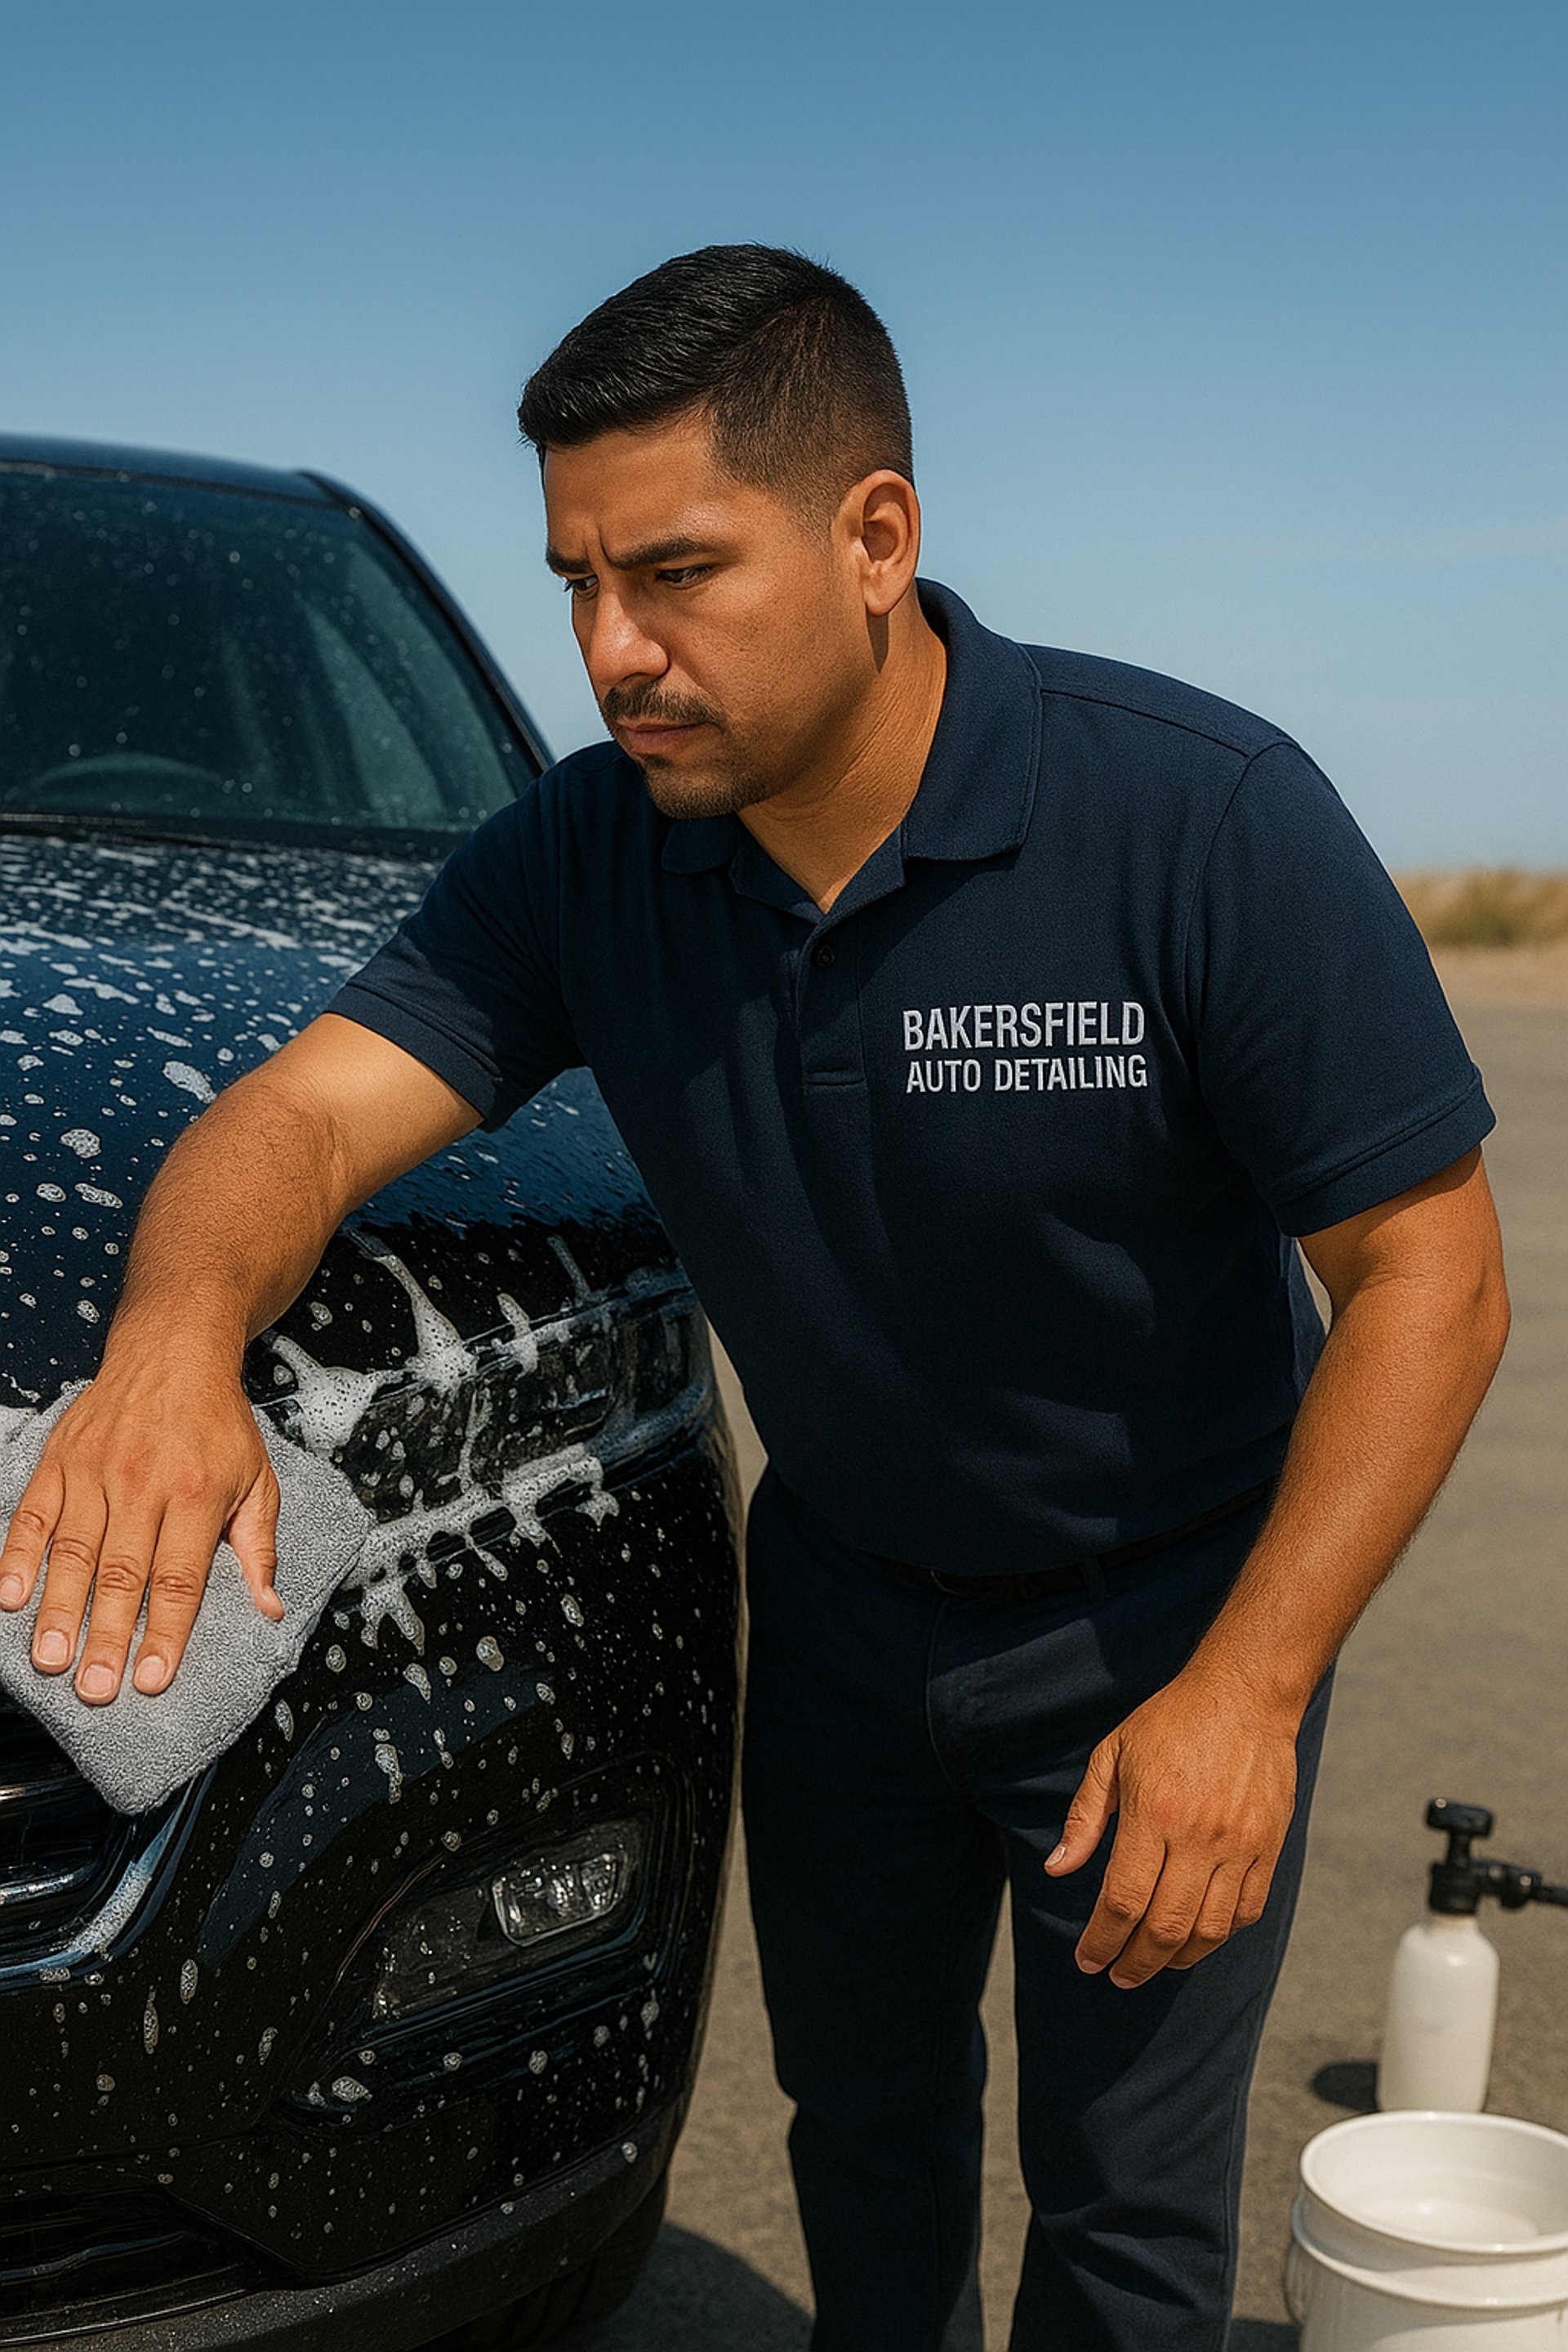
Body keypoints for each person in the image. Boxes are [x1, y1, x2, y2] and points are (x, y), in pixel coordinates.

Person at [0, 246, 1508, 2350]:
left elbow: (1428, 1266)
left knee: (1129, 2210)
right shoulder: (585, 855)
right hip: (840, 1613)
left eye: (681, 574)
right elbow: (300, 1122)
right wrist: (170, 1344)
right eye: (577, 587)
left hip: (1163, 1617)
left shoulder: (1196, 816)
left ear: (876, 535)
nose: (617, 654)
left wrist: (1247, 1694)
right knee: (861, 2135)